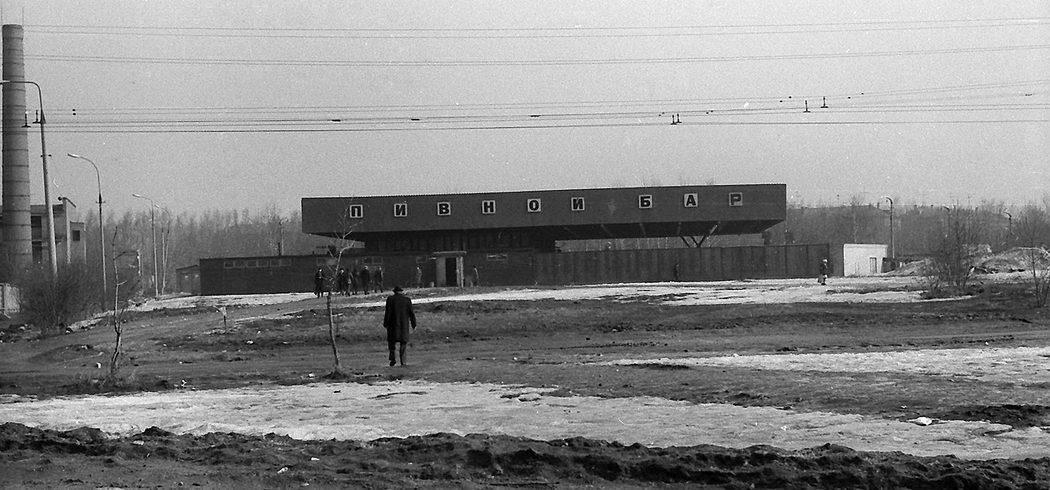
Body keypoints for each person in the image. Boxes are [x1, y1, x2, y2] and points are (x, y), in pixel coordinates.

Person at [383, 286, 417, 366]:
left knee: (392, 343)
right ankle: (403, 361)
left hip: (392, 325)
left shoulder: (390, 299)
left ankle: (393, 359)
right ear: (402, 292)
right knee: (403, 343)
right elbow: (411, 313)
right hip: (403, 325)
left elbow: (387, 312)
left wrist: (385, 323)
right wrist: (414, 324)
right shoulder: (407, 300)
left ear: (394, 292)